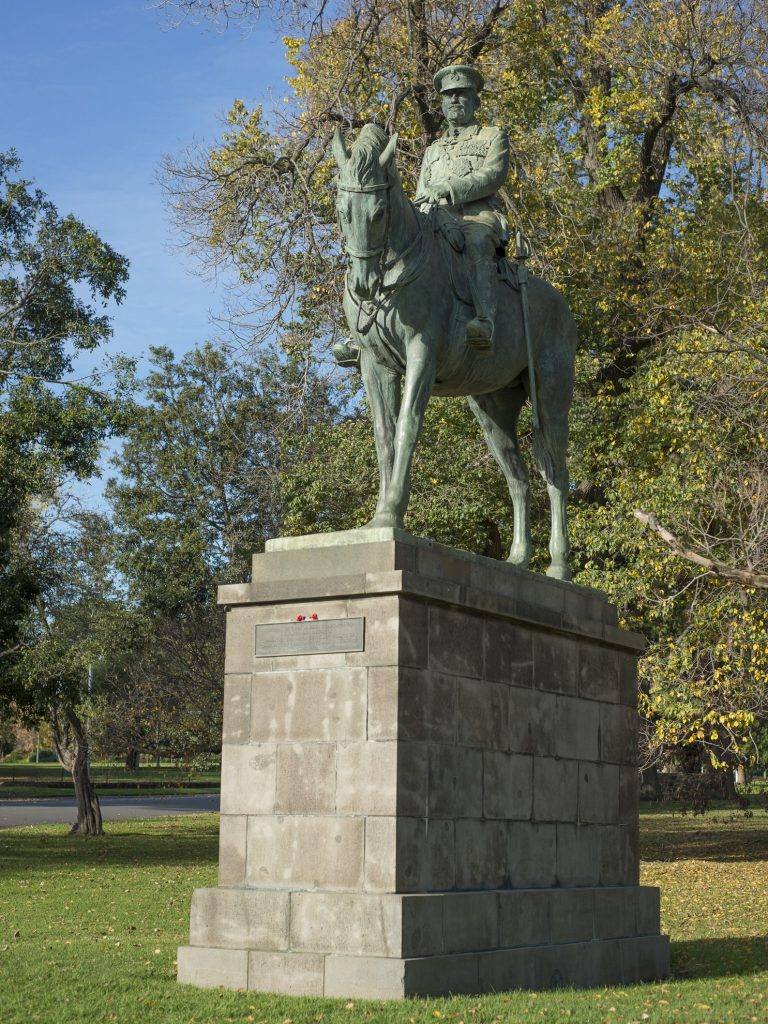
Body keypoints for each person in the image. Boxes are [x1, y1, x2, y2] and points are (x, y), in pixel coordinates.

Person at [416, 64, 510, 353]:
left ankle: (485, 321)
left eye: (462, 94)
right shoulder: (433, 150)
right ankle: (371, 330)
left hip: (477, 216)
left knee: (477, 242)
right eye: (449, 95)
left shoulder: (492, 136)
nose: (455, 99)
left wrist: (450, 188)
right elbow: (421, 191)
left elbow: (493, 175)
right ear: (442, 103)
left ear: (475, 101)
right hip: (434, 218)